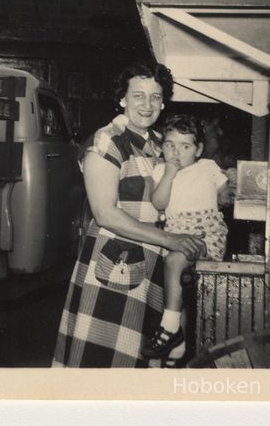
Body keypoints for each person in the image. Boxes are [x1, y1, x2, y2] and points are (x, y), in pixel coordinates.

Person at [52, 62, 205, 368]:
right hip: (113, 269)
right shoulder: (107, 141)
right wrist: (170, 238)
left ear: (163, 102)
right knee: (102, 368)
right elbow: (105, 213)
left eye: (155, 97)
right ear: (122, 98)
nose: (147, 105)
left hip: (152, 267)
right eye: (138, 96)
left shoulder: (160, 143)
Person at [141, 115, 231, 359]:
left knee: (173, 263)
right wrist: (169, 174)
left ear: (198, 150)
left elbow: (227, 196)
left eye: (185, 146)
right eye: (170, 145)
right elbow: (159, 203)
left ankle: (169, 328)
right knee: (176, 293)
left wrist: (227, 190)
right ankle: (176, 350)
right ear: (162, 148)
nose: (176, 152)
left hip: (206, 235)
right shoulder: (160, 170)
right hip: (176, 235)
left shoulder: (208, 167)